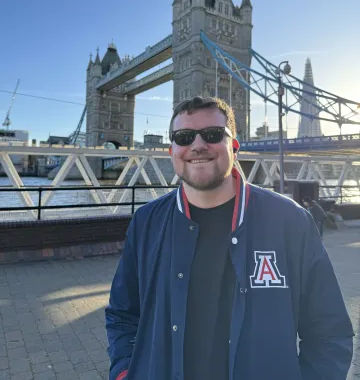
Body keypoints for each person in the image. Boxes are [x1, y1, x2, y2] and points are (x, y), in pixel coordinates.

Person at [106, 96, 353, 380]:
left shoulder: (289, 220)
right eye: (184, 137)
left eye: (212, 135)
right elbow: (122, 314)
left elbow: (330, 332)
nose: (198, 145)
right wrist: (125, 371)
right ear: (172, 149)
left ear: (234, 147)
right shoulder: (146, 222)